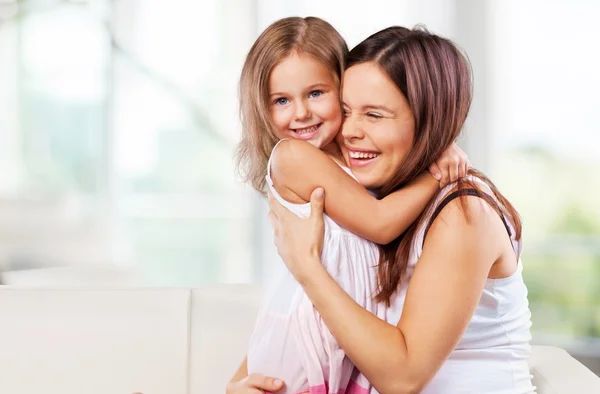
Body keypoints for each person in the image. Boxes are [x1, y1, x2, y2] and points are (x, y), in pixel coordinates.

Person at [266, 25, 536, 394]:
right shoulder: (377, 201)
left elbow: (403, 378)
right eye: (345, 111)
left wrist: (307, 267)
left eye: (374, 115)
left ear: (429, 120)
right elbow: (304, 312)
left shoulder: (463, 214)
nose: (349, 132)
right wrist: (251, 379)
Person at [230, 17, 471, 394]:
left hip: (345, 347)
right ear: (262, 109)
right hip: (304, 345)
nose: (301, 113)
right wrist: (437, 173)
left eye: (316, 93)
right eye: (281, 100)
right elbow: (379, 222)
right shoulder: (293, 157)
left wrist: (436, 146)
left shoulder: (353, 155)